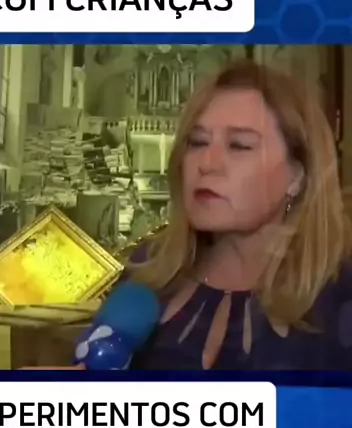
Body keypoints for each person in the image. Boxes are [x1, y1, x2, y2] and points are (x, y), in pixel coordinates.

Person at [126, 60, 352, 370]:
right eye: (197, 142)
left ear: (298, 176)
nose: (207, 163)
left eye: (239, 146)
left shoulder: (340, 291)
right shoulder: (148, 271)